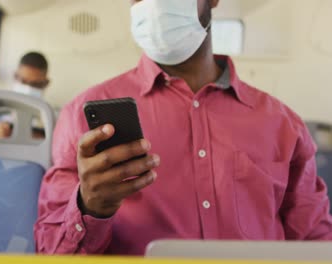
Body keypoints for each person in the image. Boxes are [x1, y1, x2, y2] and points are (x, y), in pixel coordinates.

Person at [34, 0, 332, 256]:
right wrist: (90, 207)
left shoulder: (283, 126)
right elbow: (50, 253)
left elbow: (316, 244)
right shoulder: (82, 116)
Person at [0, 52, 49, 139]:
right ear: (15, 76)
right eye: (23, 82)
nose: (28, 88)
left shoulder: (51, 120)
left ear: (46, 83)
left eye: (35, 84)